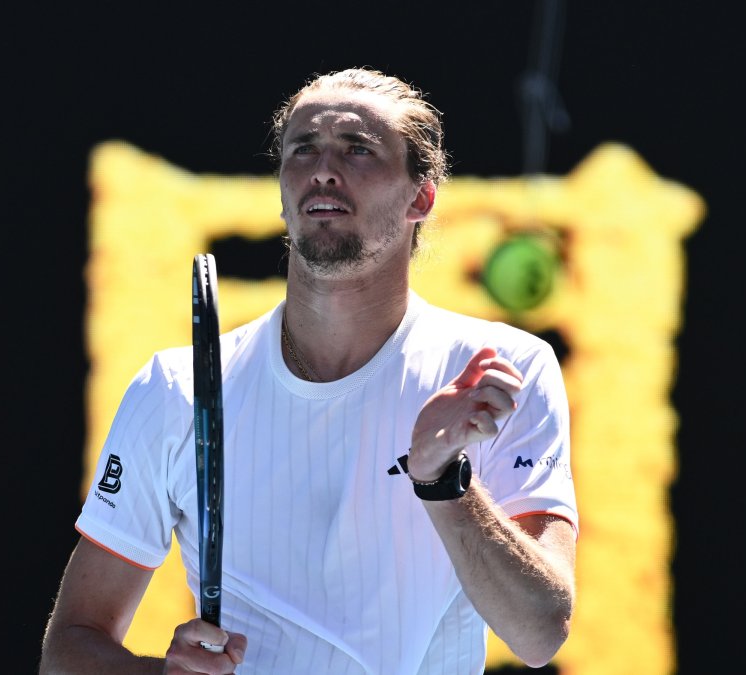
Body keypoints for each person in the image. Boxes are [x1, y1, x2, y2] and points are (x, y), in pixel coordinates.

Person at [39, 67, 577, 675]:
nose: (323, 168)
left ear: (420, 198)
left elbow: (540, 631)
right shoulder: (174, 389)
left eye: (357, 149)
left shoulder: (503, 370)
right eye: (303, 149)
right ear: (283, 188)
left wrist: (441, 478)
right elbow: (69, 650)